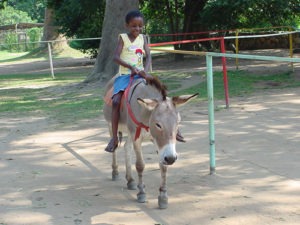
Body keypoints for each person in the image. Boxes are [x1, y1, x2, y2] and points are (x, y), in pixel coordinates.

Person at [105, 10, 185, 153]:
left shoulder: (143, 38)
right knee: (116, 101)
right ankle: (114, 137)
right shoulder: (123, 38)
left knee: (162, 96)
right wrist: (131, 68)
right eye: (134, 26)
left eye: (140, 26)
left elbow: (148, 56)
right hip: (125, 75)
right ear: (127, 26)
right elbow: (115, 57)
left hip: (141, 74)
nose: (137, 29)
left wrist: (145, 72)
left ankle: (174, 130)